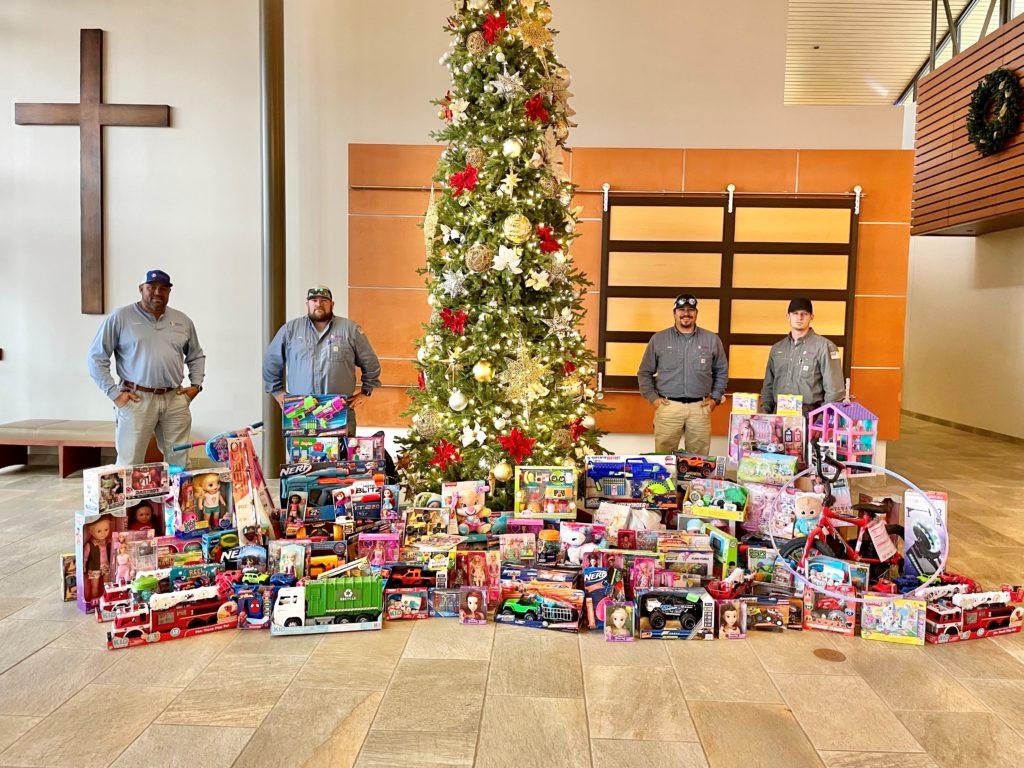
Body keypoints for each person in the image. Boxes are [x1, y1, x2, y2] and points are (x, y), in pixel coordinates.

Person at [87, 270, 205, 467]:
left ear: (169, 291)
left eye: (163, 288)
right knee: (129, 460)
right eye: (151, 287)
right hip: (136, 399)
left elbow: (196, 355)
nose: (157, 292)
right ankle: (129, 500)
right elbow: (96, 358)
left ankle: (174, 498)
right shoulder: (120, 317)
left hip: (174, 398)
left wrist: (196, 385)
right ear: (141, 289)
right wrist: (115, 394)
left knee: (180, 459)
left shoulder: (183, 320)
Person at [263, 285, 381, 436]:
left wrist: (366, 392)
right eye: (314, 300)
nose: (318, 304)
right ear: (307, 304)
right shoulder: (290, 330)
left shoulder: (350, 329)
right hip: (302, 410)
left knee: (340, 459)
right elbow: (271, 361)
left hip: (339, 412)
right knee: (302, 458)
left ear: (332, 304)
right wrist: (277, 392)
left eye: (324, 300)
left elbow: (370, 362)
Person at [637, 294, 728, 455]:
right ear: (674, 313)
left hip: (700, 408)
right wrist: (653, 398)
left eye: (690, 310)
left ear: (696, 313)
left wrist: (715, 399)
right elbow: (644, 372)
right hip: (668, 408)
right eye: (681, 310)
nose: (686, 314)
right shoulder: (659, 339)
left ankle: (695, 482)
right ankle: (667, 482)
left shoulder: (711, 339)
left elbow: (721, 371)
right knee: (664, 459)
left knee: (698, 460)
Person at [760, 298, 845, 415]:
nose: (799, 317)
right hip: (778, 416)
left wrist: (821, 421)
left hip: (810, 417)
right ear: (788, 316)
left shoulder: (824, 347)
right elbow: (768, 386)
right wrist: (764, 413)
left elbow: (835, 391)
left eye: (804, 314)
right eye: (795, 313)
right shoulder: (777, 348)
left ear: (811, 317)